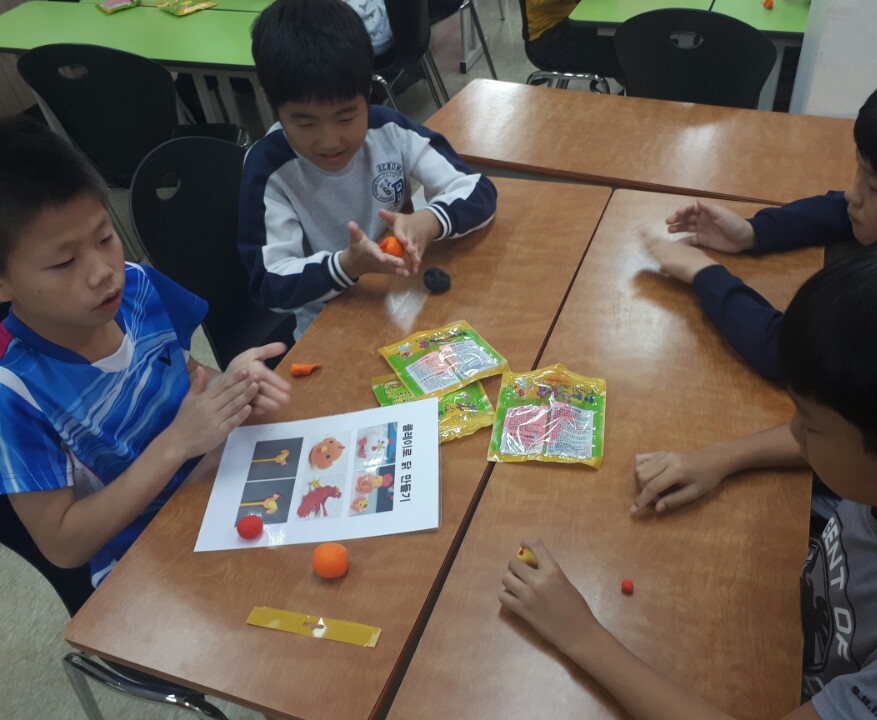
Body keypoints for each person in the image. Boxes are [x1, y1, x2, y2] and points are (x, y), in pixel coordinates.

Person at [502, 228, 877, 719]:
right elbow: (852, 437)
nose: (793, 431)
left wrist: (580, 635)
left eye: (810, 425)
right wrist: (723, 457)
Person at [0, 117, 291, 588]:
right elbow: (63, 545)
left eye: (105, 238)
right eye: (65, 262)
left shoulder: (136, 287)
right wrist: (175, 445)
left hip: (214, 486)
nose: (102, 271)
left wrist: (230, 387)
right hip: (144, 561)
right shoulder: (14, 393)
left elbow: (188, 373)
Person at [641, 43, 877, 383]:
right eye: (860, 170)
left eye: (876, 188)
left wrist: (704, 273)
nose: (852, 193)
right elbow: (839, 209)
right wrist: (753, 232)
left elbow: (789, 353)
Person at [238, 0, 497, 339]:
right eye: (305, 123)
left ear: (368, 93)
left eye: (346, 117)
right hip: (329, 328)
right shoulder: (268, 168)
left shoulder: (389, 130)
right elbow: (270, 286)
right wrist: (348, 264)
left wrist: (429, 221)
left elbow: (478, 191)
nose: (330, 141)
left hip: (403, 303)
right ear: (271, 103)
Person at [523, 0, 621, 79]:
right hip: (548, 39)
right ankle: (628, 91)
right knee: (618, 47)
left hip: (568, 21)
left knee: (619, 39)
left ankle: (628, 89)